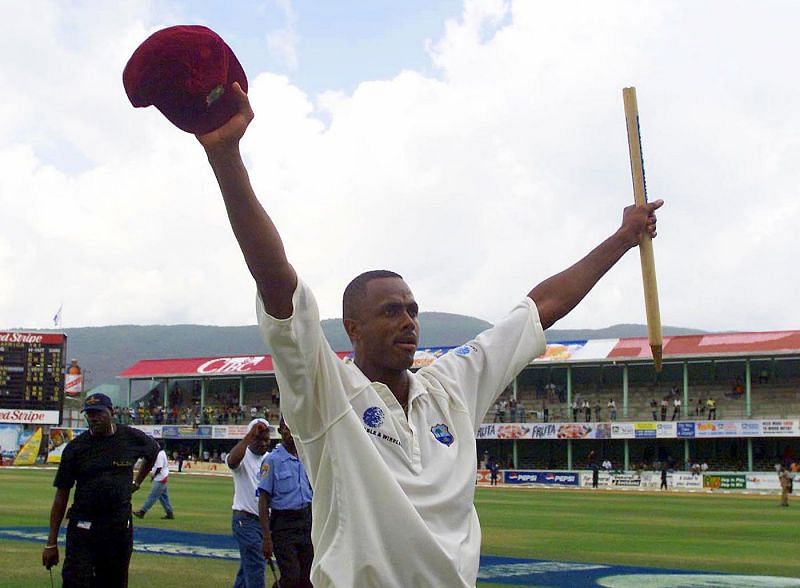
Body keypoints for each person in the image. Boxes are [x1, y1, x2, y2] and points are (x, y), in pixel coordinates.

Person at [197, 84, 661, 587]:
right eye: (391, 311)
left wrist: (621, 238)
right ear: (353, 327)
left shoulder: (451, 387)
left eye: (413, 310)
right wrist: (226, 157)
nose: (409, 320)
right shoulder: (327, 395)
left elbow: (539, 308)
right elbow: (278, 282)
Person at [42, 392, 159, 587]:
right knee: (76, 581)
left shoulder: (130, 437)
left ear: (111, 412)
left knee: (114, 581)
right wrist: (51, 542)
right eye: (89, 414)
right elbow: (61, 495)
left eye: (98, 413)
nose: (93, 418)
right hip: (83, 527)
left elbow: (153, 452)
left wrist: (137, 482)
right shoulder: (75, 448)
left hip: (118, 527)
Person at [257, 418, 313, 588]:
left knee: (308, 579)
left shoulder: (306, 457)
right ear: (280, 431)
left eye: (293, 428)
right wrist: (266, 538)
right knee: (291, 577)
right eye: (286, 429)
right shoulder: (272, 460)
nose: (290, 432)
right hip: (284, 525)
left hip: (306, 522)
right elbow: (263, 500)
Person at [227, 418, 273, 588]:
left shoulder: (272, 459)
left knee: (247, 569)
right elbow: (232, 461)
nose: (263, 443)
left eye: (266, 439)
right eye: (258, 439)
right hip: (245, 520)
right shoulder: (243, 455)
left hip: (265, 523)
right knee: (256, 565)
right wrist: (248, 437)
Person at [134, 443, 174, 520]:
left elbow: (159, 467)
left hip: (160, 478)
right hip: (163, 477)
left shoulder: (159, 454)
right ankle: (169, 513)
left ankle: (142, 512)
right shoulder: (162, 453)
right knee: (163, 497)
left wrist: (153, 476)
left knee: (152, 496)